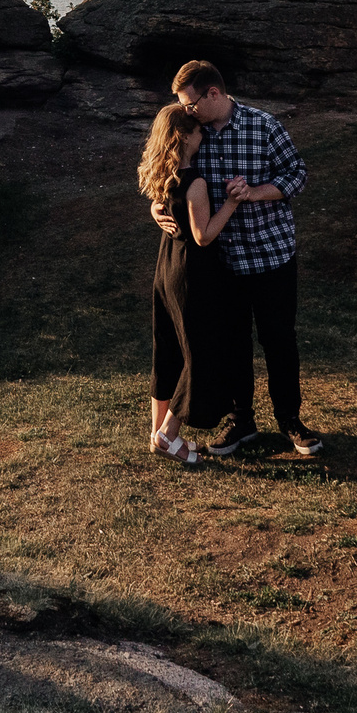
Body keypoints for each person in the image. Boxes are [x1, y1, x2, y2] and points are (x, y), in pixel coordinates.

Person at [152, 59, 321, 457]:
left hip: (270, 255)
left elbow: (297, 174)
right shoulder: (195, 133)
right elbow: (172, 175)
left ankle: (290, 421)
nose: (186, 112)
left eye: (190, 103)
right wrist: (158, 208)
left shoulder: (264, 125)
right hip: (221, 263)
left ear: (214, 93)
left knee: (279, 340)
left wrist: (254, 193)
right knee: (232, 344)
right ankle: (241, 422)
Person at [138, 102, 244, 464]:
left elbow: (162, 206)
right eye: (198, 131)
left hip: (165, 267)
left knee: (166, 349)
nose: (203, 135)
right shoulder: (195, 182)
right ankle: (169, 435)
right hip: (192, 273)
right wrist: (231, 202)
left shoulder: (162, 176)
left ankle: (156, 434)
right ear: (184, 136)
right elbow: (203, 236)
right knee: (199, 353)